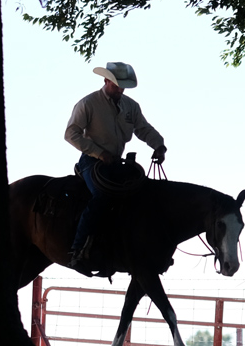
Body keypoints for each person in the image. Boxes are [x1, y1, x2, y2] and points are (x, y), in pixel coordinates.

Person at [64, 62, 167, 268]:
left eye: (123, 86)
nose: (120, 89)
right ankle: (77, 249)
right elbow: (71, 134)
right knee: (101, 197)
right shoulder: (88, 103)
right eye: (117, 85)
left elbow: (143, 129)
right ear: (106, 81)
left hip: (116, 163)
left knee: (141, 195)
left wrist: (159, 145)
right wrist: (99, 153)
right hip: (91, 162)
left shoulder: (131, 106)